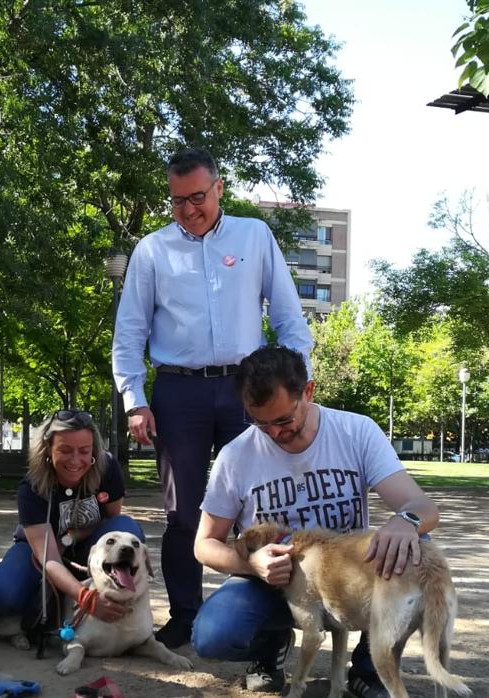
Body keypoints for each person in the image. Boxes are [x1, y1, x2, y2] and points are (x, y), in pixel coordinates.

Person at [111, 146, 314, 648]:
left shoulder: (254, 236)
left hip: (248, 388)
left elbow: (288, 317)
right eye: (177, 200)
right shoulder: (151, 250)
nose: (188, 209)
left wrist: (296, 386)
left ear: (219, 188)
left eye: (197, 197)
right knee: (183, 513)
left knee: (258, 509)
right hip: (177, 391)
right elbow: (129, 331)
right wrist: (135, 399)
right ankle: (185, 615)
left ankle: (266, 628)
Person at [191, 345, 441, 698]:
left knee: (414, 545)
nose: (274, 433)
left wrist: (407, 520)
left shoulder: (356, 431)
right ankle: (271, 644)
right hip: (274, 582)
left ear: (308, 391)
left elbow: (423, 508)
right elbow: (204, 544)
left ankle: (369, 670)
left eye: (283, 420)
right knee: (213, 636)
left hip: (348, 579)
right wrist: (252, 563)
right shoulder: (235, 456)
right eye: (260, 422)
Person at [0, 409, 145, 631]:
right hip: (38, 550)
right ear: (48, 448)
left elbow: (112, 524)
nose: (75, 460)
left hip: (87, 546)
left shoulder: (107, 467)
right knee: (2, 595)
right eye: (65, 450)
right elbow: (49, 558)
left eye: (84, 451)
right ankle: (3, 611)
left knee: (126, 527)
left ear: (94, 450)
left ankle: (118, 602)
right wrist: (85, 598)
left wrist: (70, 537)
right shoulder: (32, 487)